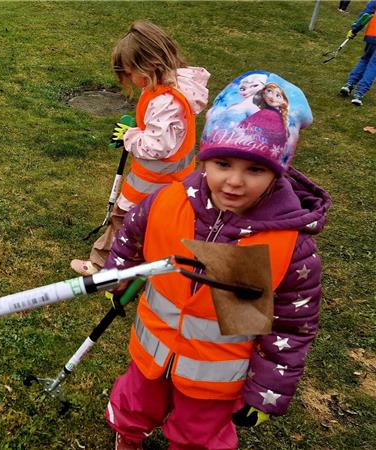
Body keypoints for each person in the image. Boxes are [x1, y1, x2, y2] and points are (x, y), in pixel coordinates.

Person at [103, 71, 329, 450]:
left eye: (255, 169)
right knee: (135, 403)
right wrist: (117, 274)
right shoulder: (169, 201)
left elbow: (293, 325)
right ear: (204, 160)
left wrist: (269, 388)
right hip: (152, 350)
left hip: (216, 376)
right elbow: (131, 236)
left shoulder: (286, 244)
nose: (235, 182)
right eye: (223, 163)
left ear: (278, 172)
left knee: (199, 434)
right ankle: (127, 437)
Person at [70, 20, 209, 276]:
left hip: (151, 184)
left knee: (122, 220)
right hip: (172, 183)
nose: (129, 80)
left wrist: (130, 136)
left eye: (129, 73)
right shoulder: (173, 88)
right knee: (153, 225)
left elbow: (157, 145)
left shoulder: (166, 102)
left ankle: (103, 264)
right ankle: (147, 264)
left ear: (148, 66)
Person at [339, 1, 376, 106]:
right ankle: (359, 93)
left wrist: (354, 29)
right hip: (372, 35)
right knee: (373, 65)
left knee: (365, 60)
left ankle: (349, 84)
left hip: (372, 36)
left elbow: (365, 15)